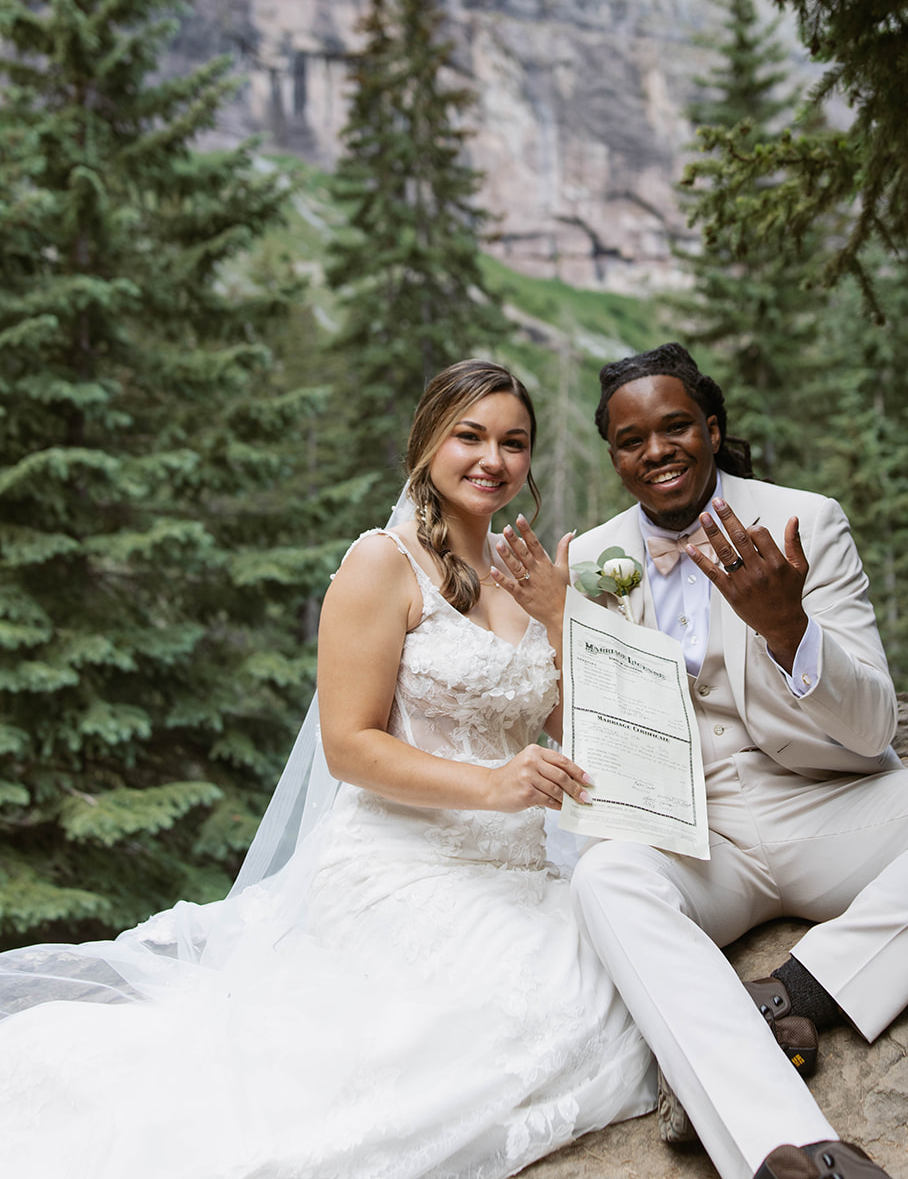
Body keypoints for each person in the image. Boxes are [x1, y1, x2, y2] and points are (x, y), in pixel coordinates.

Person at [0, 359, 654, 1179]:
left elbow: (565, 725)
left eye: (513, 443)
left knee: (613, 981)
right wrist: (490, 786)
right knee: (520, 1024)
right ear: (426, 444)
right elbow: (348, 745)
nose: (493, 459)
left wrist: (562, 616)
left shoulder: (524, 579)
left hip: (522, 865)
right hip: (404, 865)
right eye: (470, 436)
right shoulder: (382, 564)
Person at [564, 343, 908, 1179]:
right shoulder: (588, 562)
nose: (655, 450)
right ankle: (789, 1151)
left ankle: (792, 994)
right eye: (630, 439)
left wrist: (787, 629)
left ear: (712, 429)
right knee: (602, 880)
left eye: (676, 426)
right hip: (699, 839)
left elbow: (871, 727)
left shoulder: (805, 518)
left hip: (825, 810)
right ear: (612, 453)